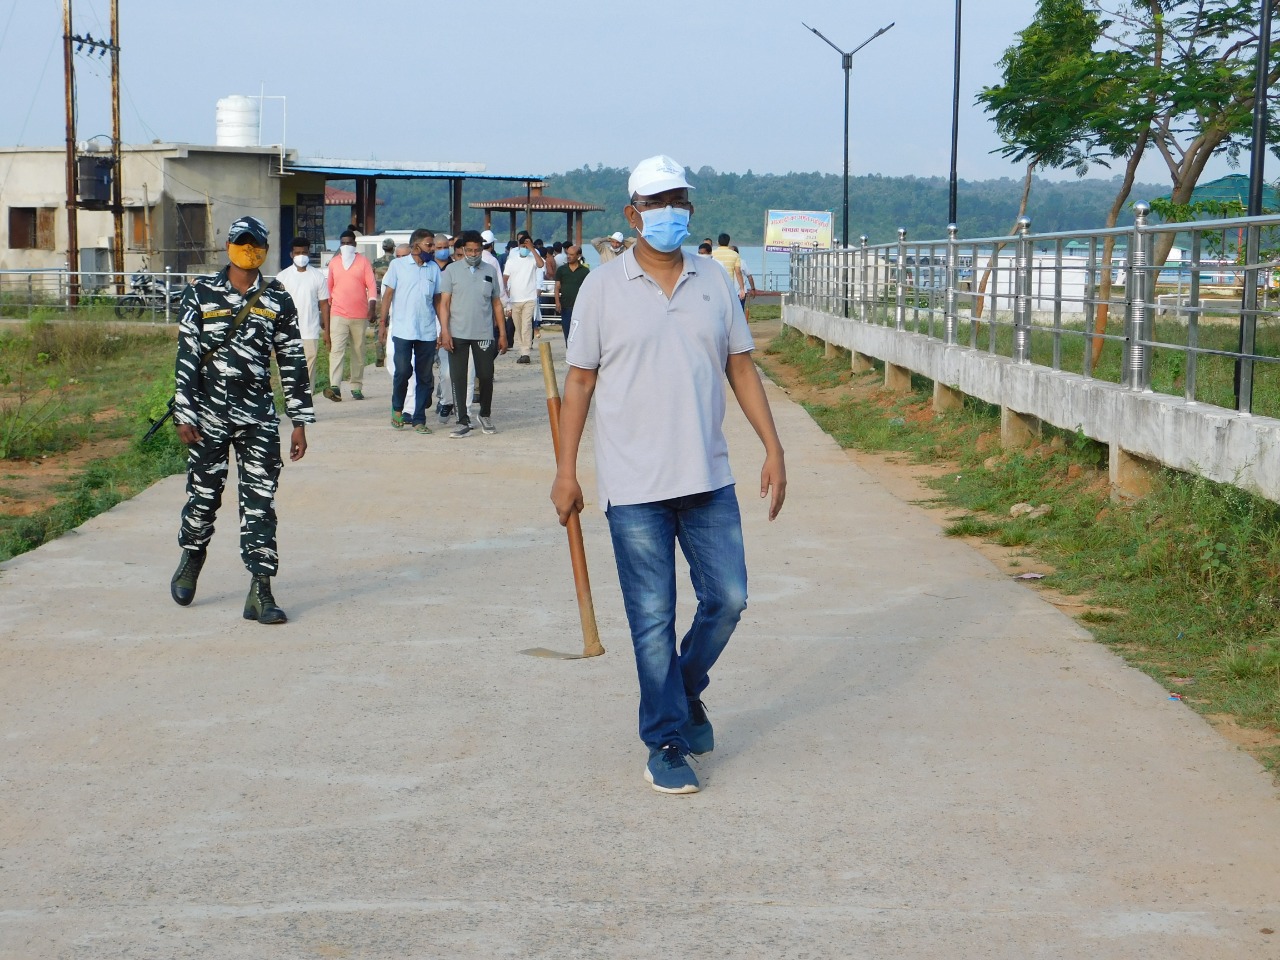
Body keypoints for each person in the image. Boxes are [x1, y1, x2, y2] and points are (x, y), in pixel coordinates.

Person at [551, 155, 787, 795]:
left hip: (708, 477)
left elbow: (741, 367)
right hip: (634, 488)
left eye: (678, 200)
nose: (669, 212)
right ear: (633, 214)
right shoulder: (602, 287)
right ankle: (666, 740)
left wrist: (772, 447)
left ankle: (682, 690)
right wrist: (566, 471)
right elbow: (579, 382)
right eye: (656, 202)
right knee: (652, 619)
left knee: (729, 598)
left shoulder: (714, 280)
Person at [169, 215, 314, 625]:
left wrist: (298, 421)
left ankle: (261, 591)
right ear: (229, 246)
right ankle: (192, 556)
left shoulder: (277, 298)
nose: (249, 249)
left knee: (260, 502)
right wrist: (184, 412)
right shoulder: (200, 294)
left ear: (265, 249)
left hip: (258, 418)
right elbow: (187, 357)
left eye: (256, 243)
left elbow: (292, 360)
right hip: (208, 416)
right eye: (242, 241)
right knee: (204, 496)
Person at [438, 230, 507, 438]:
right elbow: (444, 304)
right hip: (457, 332)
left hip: (484, 332)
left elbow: (497, 303)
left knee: (485, 375)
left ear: (482, 249)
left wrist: (502, 333)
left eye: (477, 250)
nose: (473, 254)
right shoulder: (452, 270)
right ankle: (462, 420)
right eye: (469, 250)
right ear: (462, 250)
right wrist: (445, 331)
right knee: (458, 377)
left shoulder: (490, 270)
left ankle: (485, 414)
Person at [379, 229, 441, 433]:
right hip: (403, 330)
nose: (432, 249)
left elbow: (438, 300)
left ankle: (419, 419)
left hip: (427, 331)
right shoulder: (397, 266)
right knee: (403, 371)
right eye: (429, 245)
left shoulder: (433, 268)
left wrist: (444, 329)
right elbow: (387, 296)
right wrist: (382, 324)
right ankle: (397, 407)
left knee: (424, 376)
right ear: (416, 246)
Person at [324, 227, 377, 402]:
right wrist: (327, 312)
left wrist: (372, 307)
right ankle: (335, 386)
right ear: (340, 245)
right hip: (338, 313)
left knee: (358, 351)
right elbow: (329, 288)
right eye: (343, 243)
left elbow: (372, 286)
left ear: (355, 244)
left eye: (349, 243)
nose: (346, 246)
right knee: (336, 350)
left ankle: (356, 386)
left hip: (359, 314)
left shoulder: (364, 262)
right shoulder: (334, 263)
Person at [274, 236, 329, 390]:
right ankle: (289, 399)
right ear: (291, 255)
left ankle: (307, 400)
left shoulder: (317, 276)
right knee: (286, 370)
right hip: (286, 333)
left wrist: (327, 332)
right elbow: (276, 306)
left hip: (310, 332)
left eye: (304, 252)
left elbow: (324, 304)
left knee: (307, 371)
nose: (301, 256)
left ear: (309, 253)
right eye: (297, 253)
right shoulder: (282, 277)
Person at [503, 230, 544, 364]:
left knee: (526, 325)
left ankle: (526, 353)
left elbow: (541, 264)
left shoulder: (533, 259)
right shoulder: (512, 260)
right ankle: (522, 350)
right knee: (518, 326)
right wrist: (505, 292)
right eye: (523, 246)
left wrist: (532, 249)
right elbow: (505, 277)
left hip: (529, 298)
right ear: (519, 246)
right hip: (515, 298)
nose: (525, 248)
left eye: (527, 246)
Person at [371, 237, 398, 368]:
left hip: (379, 298)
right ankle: (393, 354)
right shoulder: (397, 262)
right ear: (393, 248)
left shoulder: (376, 262)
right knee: (393, 325)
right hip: (394, 298)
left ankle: (380, 357)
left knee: (379, 327)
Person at [553, 244, 589, 342]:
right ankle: (569, 349)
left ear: (578, 256)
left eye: (572, 255)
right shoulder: (561, 270)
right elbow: (557, 287)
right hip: (566, 305)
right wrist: (557, 302)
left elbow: (588, 289)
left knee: (580, 331)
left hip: (580, 306)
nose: (569, 256)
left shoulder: (585, 271)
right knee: (567, 330)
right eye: (568, 254)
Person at [710, 233, 747, 304]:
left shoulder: (712, 253)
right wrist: (742, 289)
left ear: (718, 242)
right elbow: (738, 272)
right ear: (728, 242)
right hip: (729, 285)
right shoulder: (735, 254)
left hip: (714, 285)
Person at [732, 244, 757, 320]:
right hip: (733, 292)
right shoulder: (739, 262)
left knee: (738, 313)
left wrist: (753, 289)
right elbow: (749, 276)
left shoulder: (742, 263)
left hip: (740, 292)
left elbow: (749, 276)